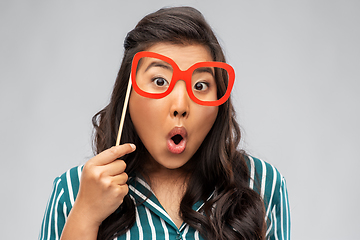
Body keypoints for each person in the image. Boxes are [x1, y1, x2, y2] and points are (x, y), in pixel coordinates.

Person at [39, 6, 290, 240]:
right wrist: (85, 216)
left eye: (200, 85)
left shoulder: (262, 182)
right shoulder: (74, 190)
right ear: (127, 94)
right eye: (160, 82)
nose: (180, 106)